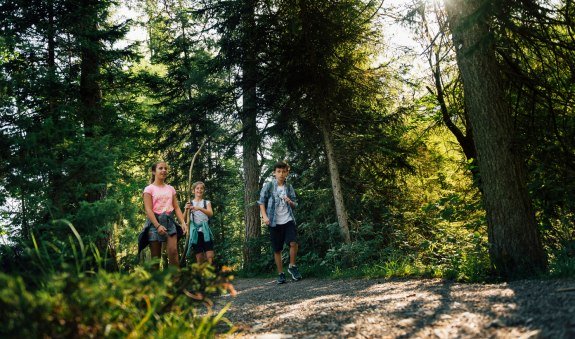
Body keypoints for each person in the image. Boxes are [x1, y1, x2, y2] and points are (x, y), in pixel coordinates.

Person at [258, 161, 302, 284]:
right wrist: (265, 217)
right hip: (274, 222)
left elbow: (295, 204)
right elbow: (261, 202)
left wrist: (290, 201)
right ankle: (281, 274)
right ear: (274, 173)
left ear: (287, 173)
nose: (281, 174)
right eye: (279, 171)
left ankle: (292, 267)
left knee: (293, 243)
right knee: (277, 249)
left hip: (288, 220)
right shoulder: (269, 186)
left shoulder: (289, 187)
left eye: (283, 171)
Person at [143, 161, 188, 268]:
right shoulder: (149, 189)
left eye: (165, 168)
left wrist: (183, 223)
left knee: (173, 252)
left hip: (170, 221)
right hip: (154, 223)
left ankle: (175, 281)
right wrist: (157, 225)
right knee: (155, 259)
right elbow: (148, 209)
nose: (164, 170)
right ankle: (157, 283)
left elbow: (176, 207)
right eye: (160, 168)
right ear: (154, 172)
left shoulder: (170, 189)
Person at [185, 181, 215, 264]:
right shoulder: (190, 203)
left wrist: (199, 208)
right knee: (199, 256)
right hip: (195, 232)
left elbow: (210, 213)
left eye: (201, 188)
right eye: (197, 188)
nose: (199, 190)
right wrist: (186, 209)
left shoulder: (206, 202)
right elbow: (184, 219)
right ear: (193, 190)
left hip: (205, 230)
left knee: (210, 255)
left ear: (203, 190)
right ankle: (200, 275)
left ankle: (210, 274)